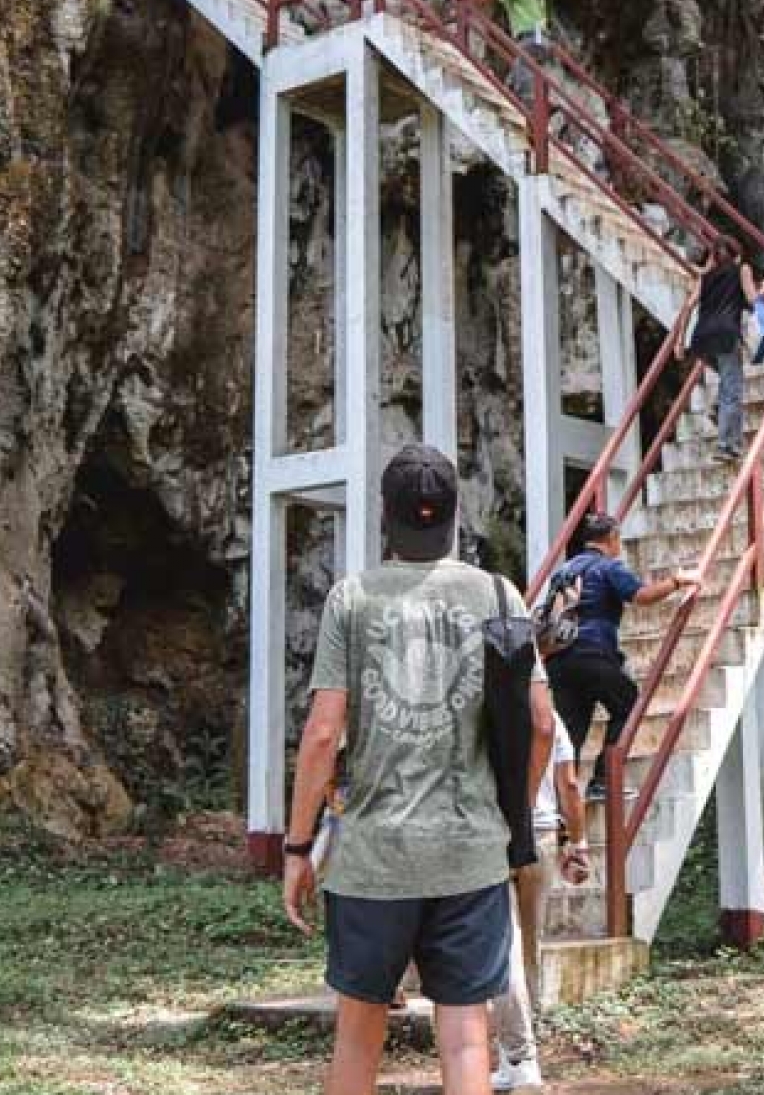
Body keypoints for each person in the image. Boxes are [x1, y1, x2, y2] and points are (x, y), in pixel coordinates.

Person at [282, 445, 551, 1095]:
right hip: (469, 853)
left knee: (357, 1035)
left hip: (374, 858)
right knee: (464, 1039)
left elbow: (322, 735)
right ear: (454, 516)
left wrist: (296, 847)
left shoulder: (353, 598)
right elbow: (541, 723)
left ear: (386, 516)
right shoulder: (497, 593)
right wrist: (511, 811)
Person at [543, 511, 700, 801]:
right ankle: (603, 780)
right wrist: (677, 582)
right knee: (628, 704)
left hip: (559, 658)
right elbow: (642, 596)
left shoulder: (563, 570)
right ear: (612, 539)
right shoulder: (609, 568)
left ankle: (562, 803)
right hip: (594, 652)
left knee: (572, 729)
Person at [488, 705, 587, 1090]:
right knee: (529, 945)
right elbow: (570, 784)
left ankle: (518, 1054)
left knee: (504, 945)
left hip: (497, 836)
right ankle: (521, 1047)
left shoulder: (492, 713)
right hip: (543, 837)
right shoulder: (553, 718)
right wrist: (576, 843)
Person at [688, 237, 764, 462]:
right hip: (725, 336)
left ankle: (729, 435)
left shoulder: (706, 278)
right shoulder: (742, 269)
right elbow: (752, 299)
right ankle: (724, 446)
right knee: (732, 391)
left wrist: (677, 343)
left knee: (729, 383)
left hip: (702, 340)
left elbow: (688, 306)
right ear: (737, 254)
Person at [461, 0, 553, 105]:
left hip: (531, 36)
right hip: (541, 36)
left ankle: (531, 109)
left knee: (523, 70)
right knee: (515, 78)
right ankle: (539, 106)